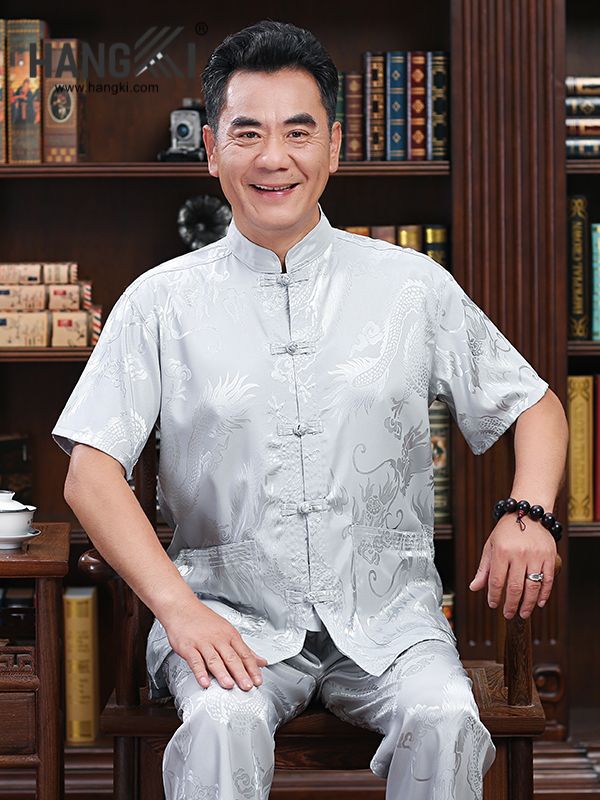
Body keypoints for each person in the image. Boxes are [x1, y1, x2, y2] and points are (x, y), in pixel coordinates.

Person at [52, 19, 569, 800]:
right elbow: (90, 473)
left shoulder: (412, 286)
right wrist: (179, 611)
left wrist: (528, 511)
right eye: (247, 133)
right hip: (227, 617)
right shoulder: (160, 302)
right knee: (221, 724)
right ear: (211, 150)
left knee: (447, 719)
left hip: (393, 622)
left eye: (298, 132)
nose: (274, 158)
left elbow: (536, 406)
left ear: (333, 147)